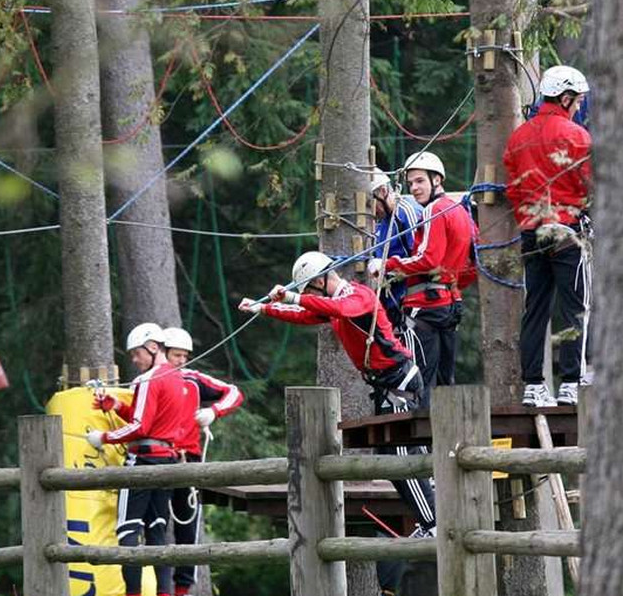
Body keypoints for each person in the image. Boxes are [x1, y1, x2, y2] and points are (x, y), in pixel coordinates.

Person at [239, 251, 437, 535]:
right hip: (385, 385)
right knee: (390, 455)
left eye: (307, 288)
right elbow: (307, 315)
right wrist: (263, 308)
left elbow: (342, 309)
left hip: (398, 381)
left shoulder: (358, 295)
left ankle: (433, 521)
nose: (307, 294)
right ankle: (428, 518)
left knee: (401, 453)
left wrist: (293, 297)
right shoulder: (332, 302)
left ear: (320, 281)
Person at [502, 64, 593, 408]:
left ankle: (534, 385)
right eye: (578, 100)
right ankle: (571, 381)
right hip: (568, 231)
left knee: (535, 308)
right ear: (566, 97)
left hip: (531, 233)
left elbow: (514, 189)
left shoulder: (517, 137)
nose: (579, 106)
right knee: (574, 307)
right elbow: (590, 184)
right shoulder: (577, 136)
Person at [88, 323, 191, 596]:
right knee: (157, 532)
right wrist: (117, 406)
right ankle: (164, 593)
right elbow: (149, 418)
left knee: (127, 531)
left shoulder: (149, 379)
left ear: (153, 347)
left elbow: (141, 427)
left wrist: (104, 437)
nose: (134, 360)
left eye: (136, 354)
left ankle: (132, 594)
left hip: (142, 462)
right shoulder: (175, 377)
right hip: (166, 461)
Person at [371, 151, 474, 404]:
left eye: (419, 181)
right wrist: (454, 287)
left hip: (425, 308)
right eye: (411, 183)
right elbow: (471, 261)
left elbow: (428, 259)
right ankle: (450, 441)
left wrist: (387, 264)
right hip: (450, 305)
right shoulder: (460, 211)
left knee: (422, 383)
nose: (414, 189)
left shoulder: (432, 212)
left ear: (437, 180)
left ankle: (427, 443)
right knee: (445, 382)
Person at [161, 327, 244, 596]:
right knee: (156, 526)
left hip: (188, 458)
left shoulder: (193, 380)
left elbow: (233, 392)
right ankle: (159, 587)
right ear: (162, 353)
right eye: (176, 355)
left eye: (185, 355)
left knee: (187, 524)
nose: (182, 360)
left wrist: (214, 411)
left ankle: (182, 589)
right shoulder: (148, 381)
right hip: (157, 459)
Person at [369, 168, 423, 330]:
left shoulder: (406, 212)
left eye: (372, 203)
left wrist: (387, 268)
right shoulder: (380, 222)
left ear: (383, 191)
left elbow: (421, 258)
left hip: (410, 301)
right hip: (390, 304)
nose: (371, 211)